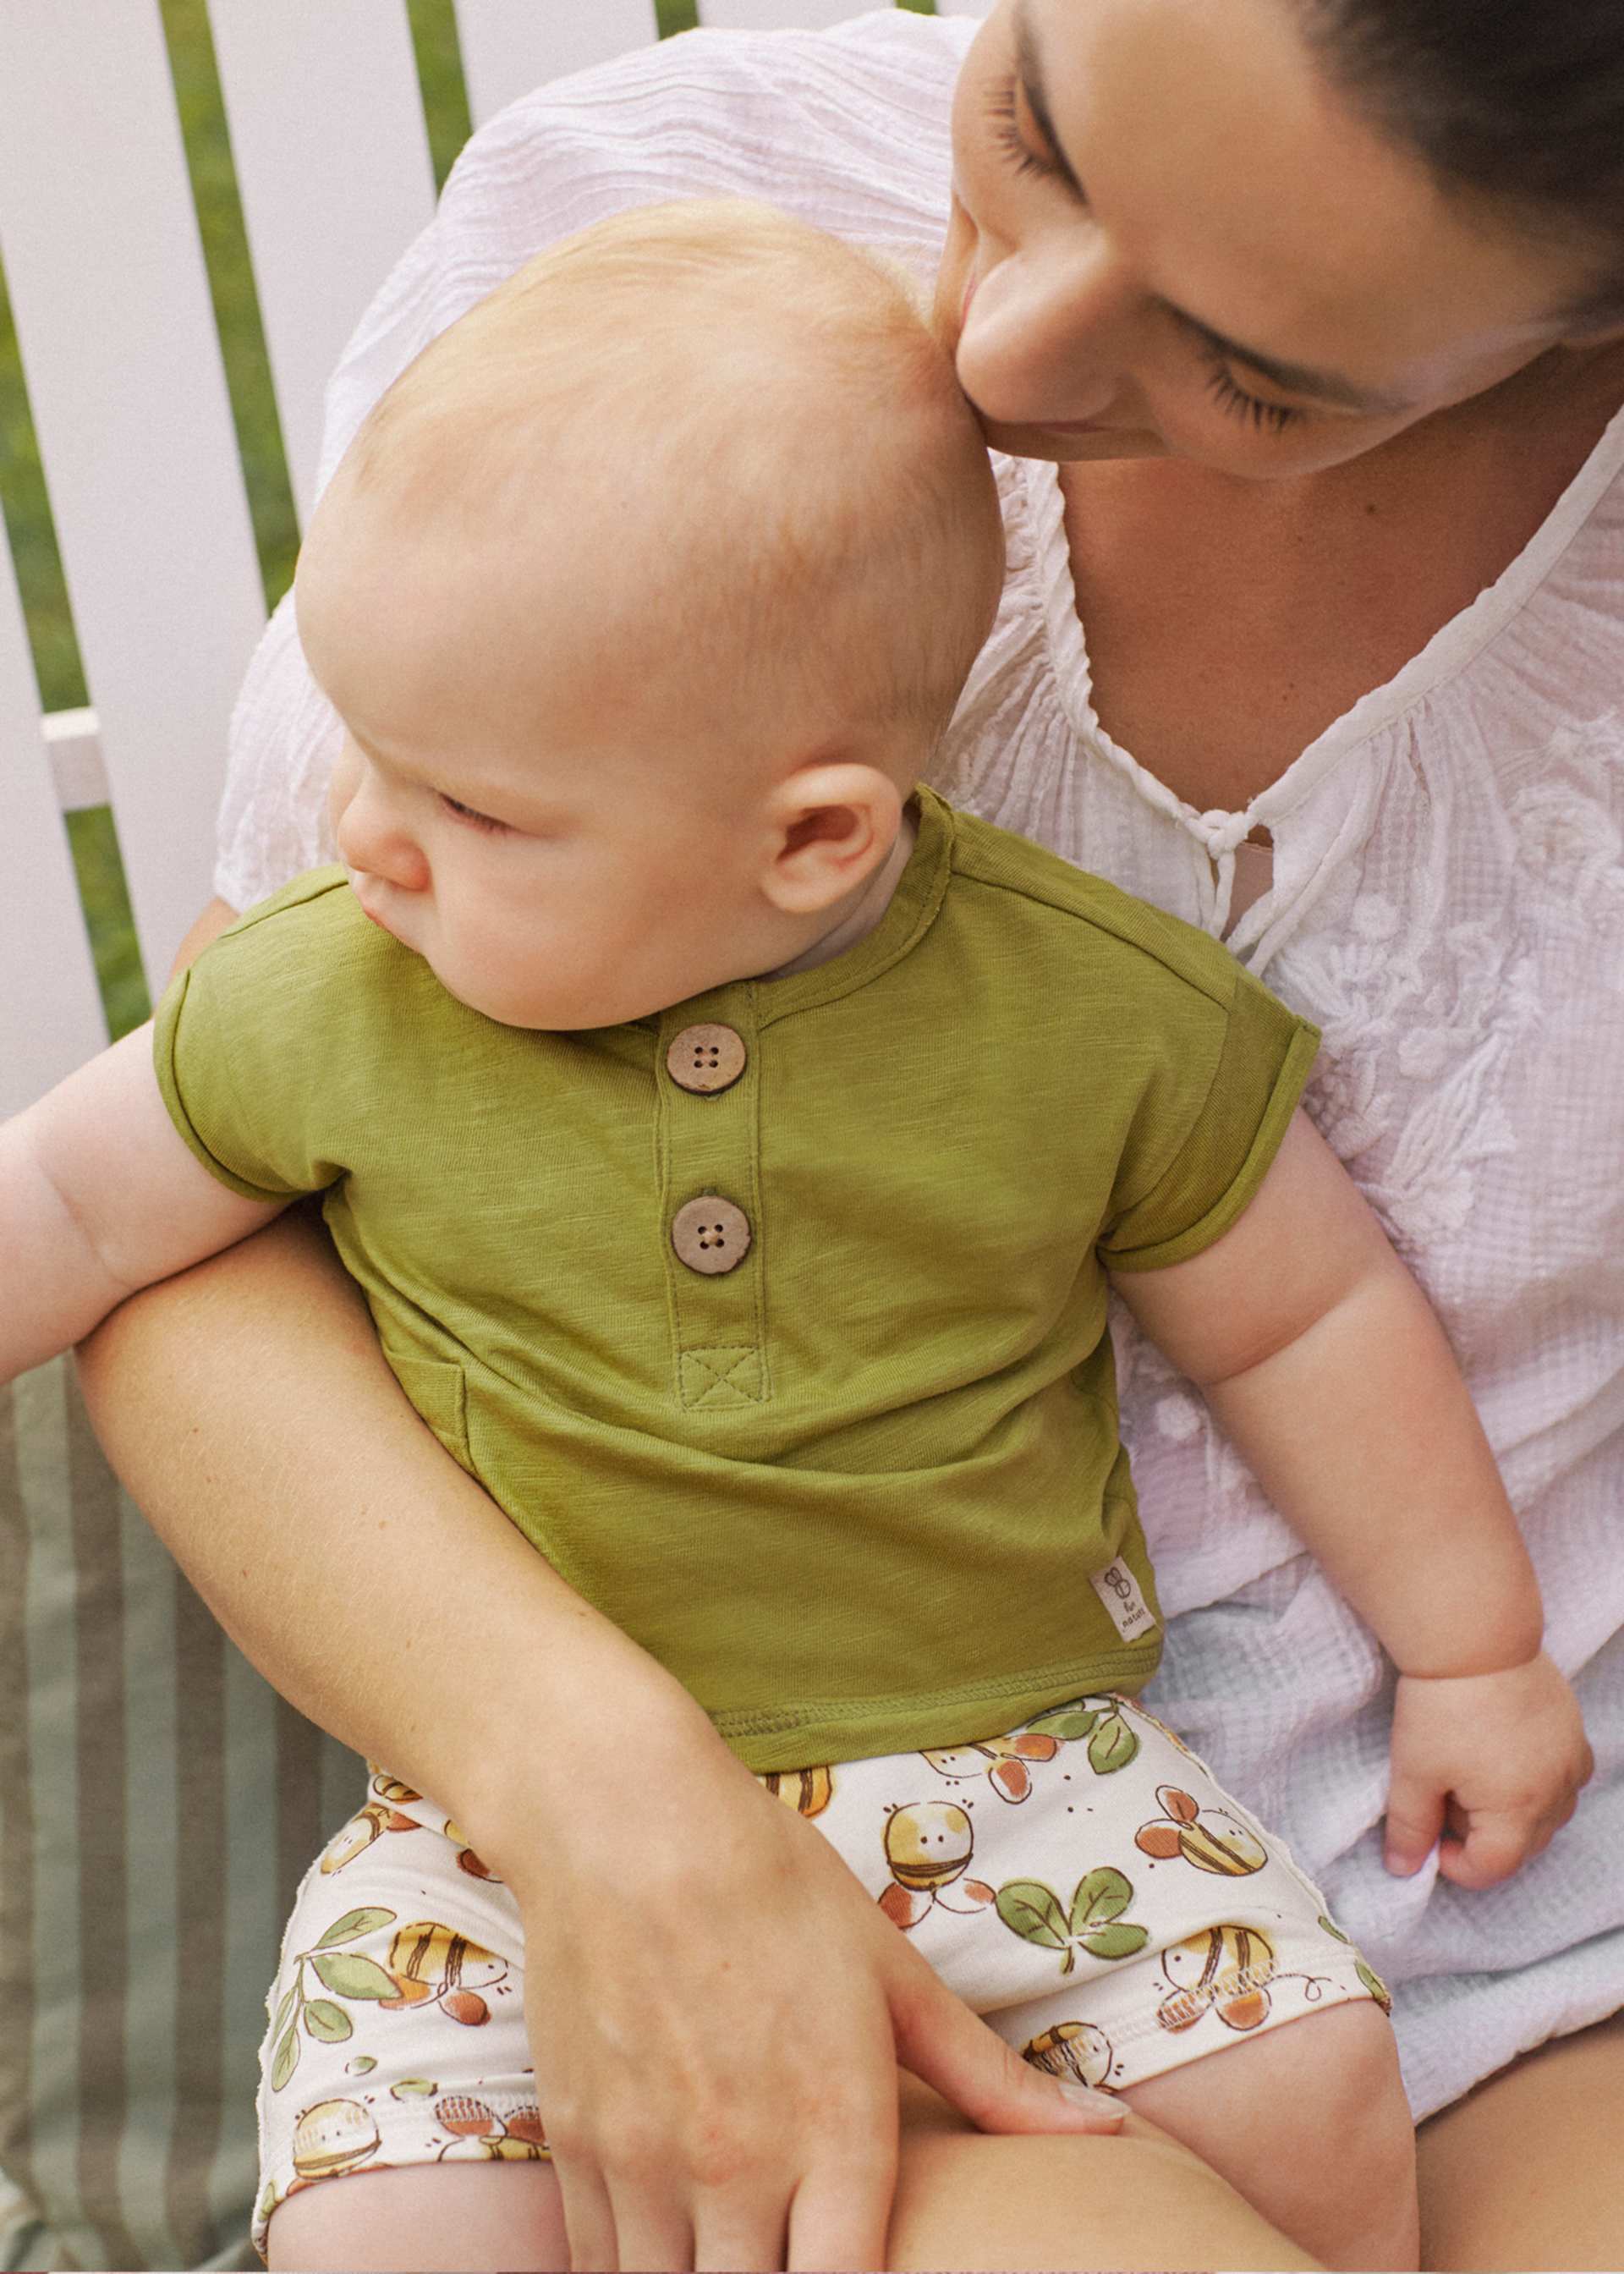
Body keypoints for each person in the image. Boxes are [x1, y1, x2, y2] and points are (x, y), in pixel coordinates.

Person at [71, 1, 1624, 2267]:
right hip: (652, 1878)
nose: (993, 354)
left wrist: (1476, 1656)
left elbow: (1298, 1301)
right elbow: (183, 1212)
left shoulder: (1093, 1019)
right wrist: (608, 1794)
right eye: (1033, 126)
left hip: (1458, 1905)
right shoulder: (636, 286)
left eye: (1254, 374)